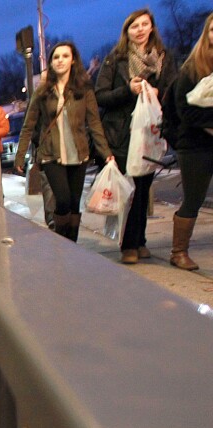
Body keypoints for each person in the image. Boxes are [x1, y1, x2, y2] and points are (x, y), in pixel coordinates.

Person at [95, 8, 177, 264]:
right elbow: (101, 95)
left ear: (151, 27)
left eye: (144, 24)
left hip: (150, 131)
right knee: (129, 191)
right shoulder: (115, 59)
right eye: (134, 26)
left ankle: (140, 240)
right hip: (121, 134)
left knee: (144, 189)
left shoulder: (164, 58)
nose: (140, 29)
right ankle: (128, 244)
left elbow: (172, 90)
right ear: (127, 31)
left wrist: (156, 91)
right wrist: (128, 90)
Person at [15, 42, 114, 241]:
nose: (60, 60)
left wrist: (106, 153)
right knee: (62, 200)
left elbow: (94, 123)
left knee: (75, 203)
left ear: (73, 60)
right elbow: (28, 125)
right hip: (51, 154)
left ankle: (72, 246)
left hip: (79, 153)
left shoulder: (84, 90)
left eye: (65, 56)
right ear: (51, 63)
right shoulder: (42, 91)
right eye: (56, 57)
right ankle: (62, 245)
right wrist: (20, 155)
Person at [168, 12, 213, 271]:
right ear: (206, 33)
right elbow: (186, 112)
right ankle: (179, 251)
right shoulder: (191, 69)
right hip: (195, 145)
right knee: (194, 199)